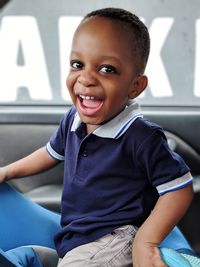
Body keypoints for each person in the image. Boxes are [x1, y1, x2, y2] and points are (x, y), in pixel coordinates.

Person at [0, 7, 194, 267]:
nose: (86, 78)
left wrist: (146, 241)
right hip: (76, 240)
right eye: (77, 65)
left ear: (135, 86)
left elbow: (179, 189)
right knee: (23, 256)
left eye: (106, 69)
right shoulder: (73, 119)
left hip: (113, 238)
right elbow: (50, 153)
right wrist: (6, 172)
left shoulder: (140, 136)